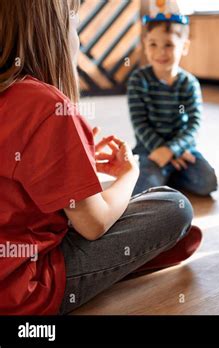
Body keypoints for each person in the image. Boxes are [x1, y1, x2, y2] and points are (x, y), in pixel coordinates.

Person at [0, 0, 200, 315]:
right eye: (75, 23)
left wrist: (74, 160)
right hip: (23, 289)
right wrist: (128, 174)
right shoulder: (45, 104)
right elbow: (93, 224)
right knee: (174, 206)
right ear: (54, 33)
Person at [128, 10, 217, 196]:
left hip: (182, 149)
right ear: (145, 45)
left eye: (169, 45)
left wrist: (172, 150)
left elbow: (194, 124)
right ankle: (164, 174)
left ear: (184, 46)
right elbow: (140, 124)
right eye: (153, 44)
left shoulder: (189, 83)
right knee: (143, 189)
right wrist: (161, 151)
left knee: (208, 182)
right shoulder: (138, 79)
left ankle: (169, 174)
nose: (161, 52)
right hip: (151, 149)